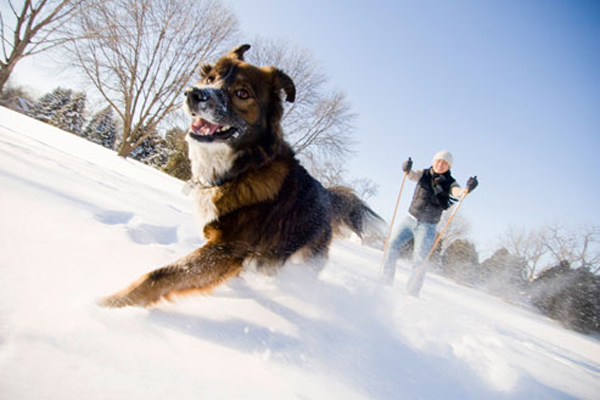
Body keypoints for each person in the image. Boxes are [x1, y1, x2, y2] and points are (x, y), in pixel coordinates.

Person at [380, 150, 478, 295]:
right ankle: (385, 282)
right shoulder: (424, 173)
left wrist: (467, 189)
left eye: (444, 163)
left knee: (420, 260)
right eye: (438, 161)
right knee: (392, 245)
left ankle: (412, 292)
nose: (440, 164)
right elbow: (411, 175)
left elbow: (458, 192)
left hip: (427, 226)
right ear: (433, 161)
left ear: (449, 166)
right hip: (410, 219)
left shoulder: (450, 182)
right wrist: (406, 168)